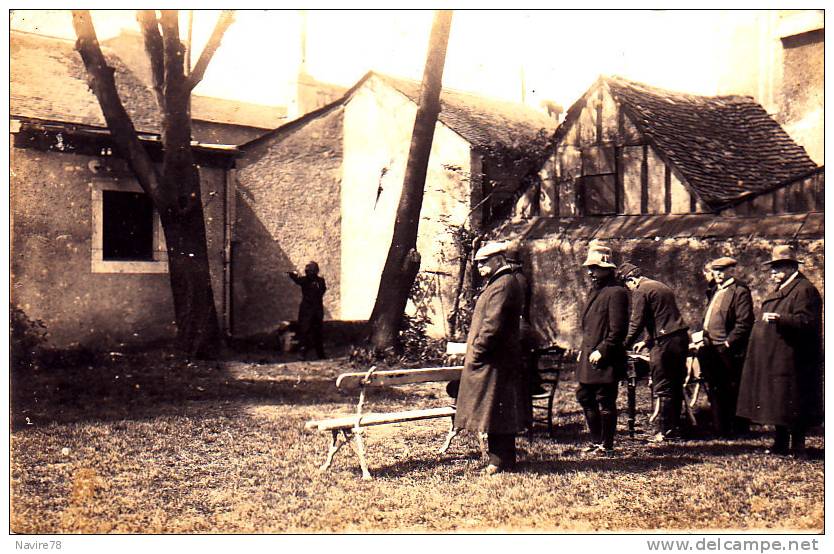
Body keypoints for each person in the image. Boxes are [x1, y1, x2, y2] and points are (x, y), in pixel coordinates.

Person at [736, 245, 822, 458]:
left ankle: (798, 447)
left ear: (791, 267)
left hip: (793, 357)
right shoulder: (783, 288)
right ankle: (781, 443)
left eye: (777, 268)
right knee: (779, 401)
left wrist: (780, 318)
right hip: (777, 356)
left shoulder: (804, 289)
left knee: (794, 401)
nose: (772, 273)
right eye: (772, 268)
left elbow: (808, 321)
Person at [455, 241, 526, 474]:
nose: (480, 267)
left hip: (494, 360)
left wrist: (476, 352)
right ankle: (502, 460)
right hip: (497, 360)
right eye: (478, 263)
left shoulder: (503, 285)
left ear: (498, 260)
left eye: (484, 262)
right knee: (497, 411)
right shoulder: (501, 283)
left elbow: (491, 326)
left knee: (496, 410)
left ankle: (499, 461)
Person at [619, 263, 689, 443]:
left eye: (627, 285)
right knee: (675, 383)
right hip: (679, 338)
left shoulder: (641, 290)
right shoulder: (660, 286)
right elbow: (661, 316)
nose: (628, 289)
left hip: (664, 344)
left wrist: (623, 344)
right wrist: (646, 341)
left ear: (631, 280)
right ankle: (675, 428)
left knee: (663, 385)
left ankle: (664, 432)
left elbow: (637, 322)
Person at [576, 246, 629, 456]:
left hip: (605, 358)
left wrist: (603, 350)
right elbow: (590, 326)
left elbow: (618, 330)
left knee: (605, 400)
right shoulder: (595, 291)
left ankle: (606, 445)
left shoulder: (616, 292)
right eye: (589, 268)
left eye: (596, 268)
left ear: (608, 269)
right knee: (584, 396)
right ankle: (596, 440)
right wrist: (585, 349)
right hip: (589, 354)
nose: (591, 272)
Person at [695, 257, 754, 437]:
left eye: (722, 270)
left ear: (732, 271)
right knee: (715, 387)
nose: (718, 274)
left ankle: (736, 429)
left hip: (727, 349)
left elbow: (744, 322)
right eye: (715, 270)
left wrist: (729, 342)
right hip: (710, 347)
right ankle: (719, 427)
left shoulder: (740, 291)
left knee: (731, 388)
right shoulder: (714, 290)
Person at [287, 261, 327, 360]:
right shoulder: (318, 281)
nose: (308, 272)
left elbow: (297, 280)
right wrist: (293, 275)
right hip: (313, 310)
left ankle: (311, 354)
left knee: (308, 332)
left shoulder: (309, 281)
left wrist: (293, 275)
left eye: (309, 270)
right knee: (308, 332)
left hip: (309, 310)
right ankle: (313, 354)